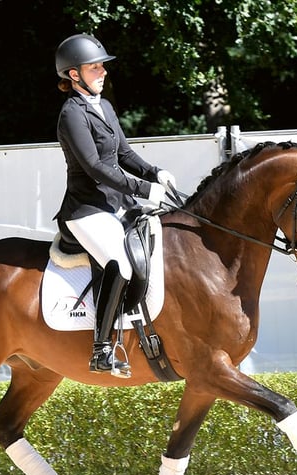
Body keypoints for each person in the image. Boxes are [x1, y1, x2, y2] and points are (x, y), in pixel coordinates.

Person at [54, 33, 177, 378]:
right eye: (94, 67)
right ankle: (102, 348)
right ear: (74, 74)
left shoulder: (103, 106)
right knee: (120, 264)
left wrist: (156, 173)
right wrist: (143, 188)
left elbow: (123, 154)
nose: (102, 71)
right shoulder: (71, 115)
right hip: (87, 210)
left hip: (115, 204)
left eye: (102, 66)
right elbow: (95, 167)